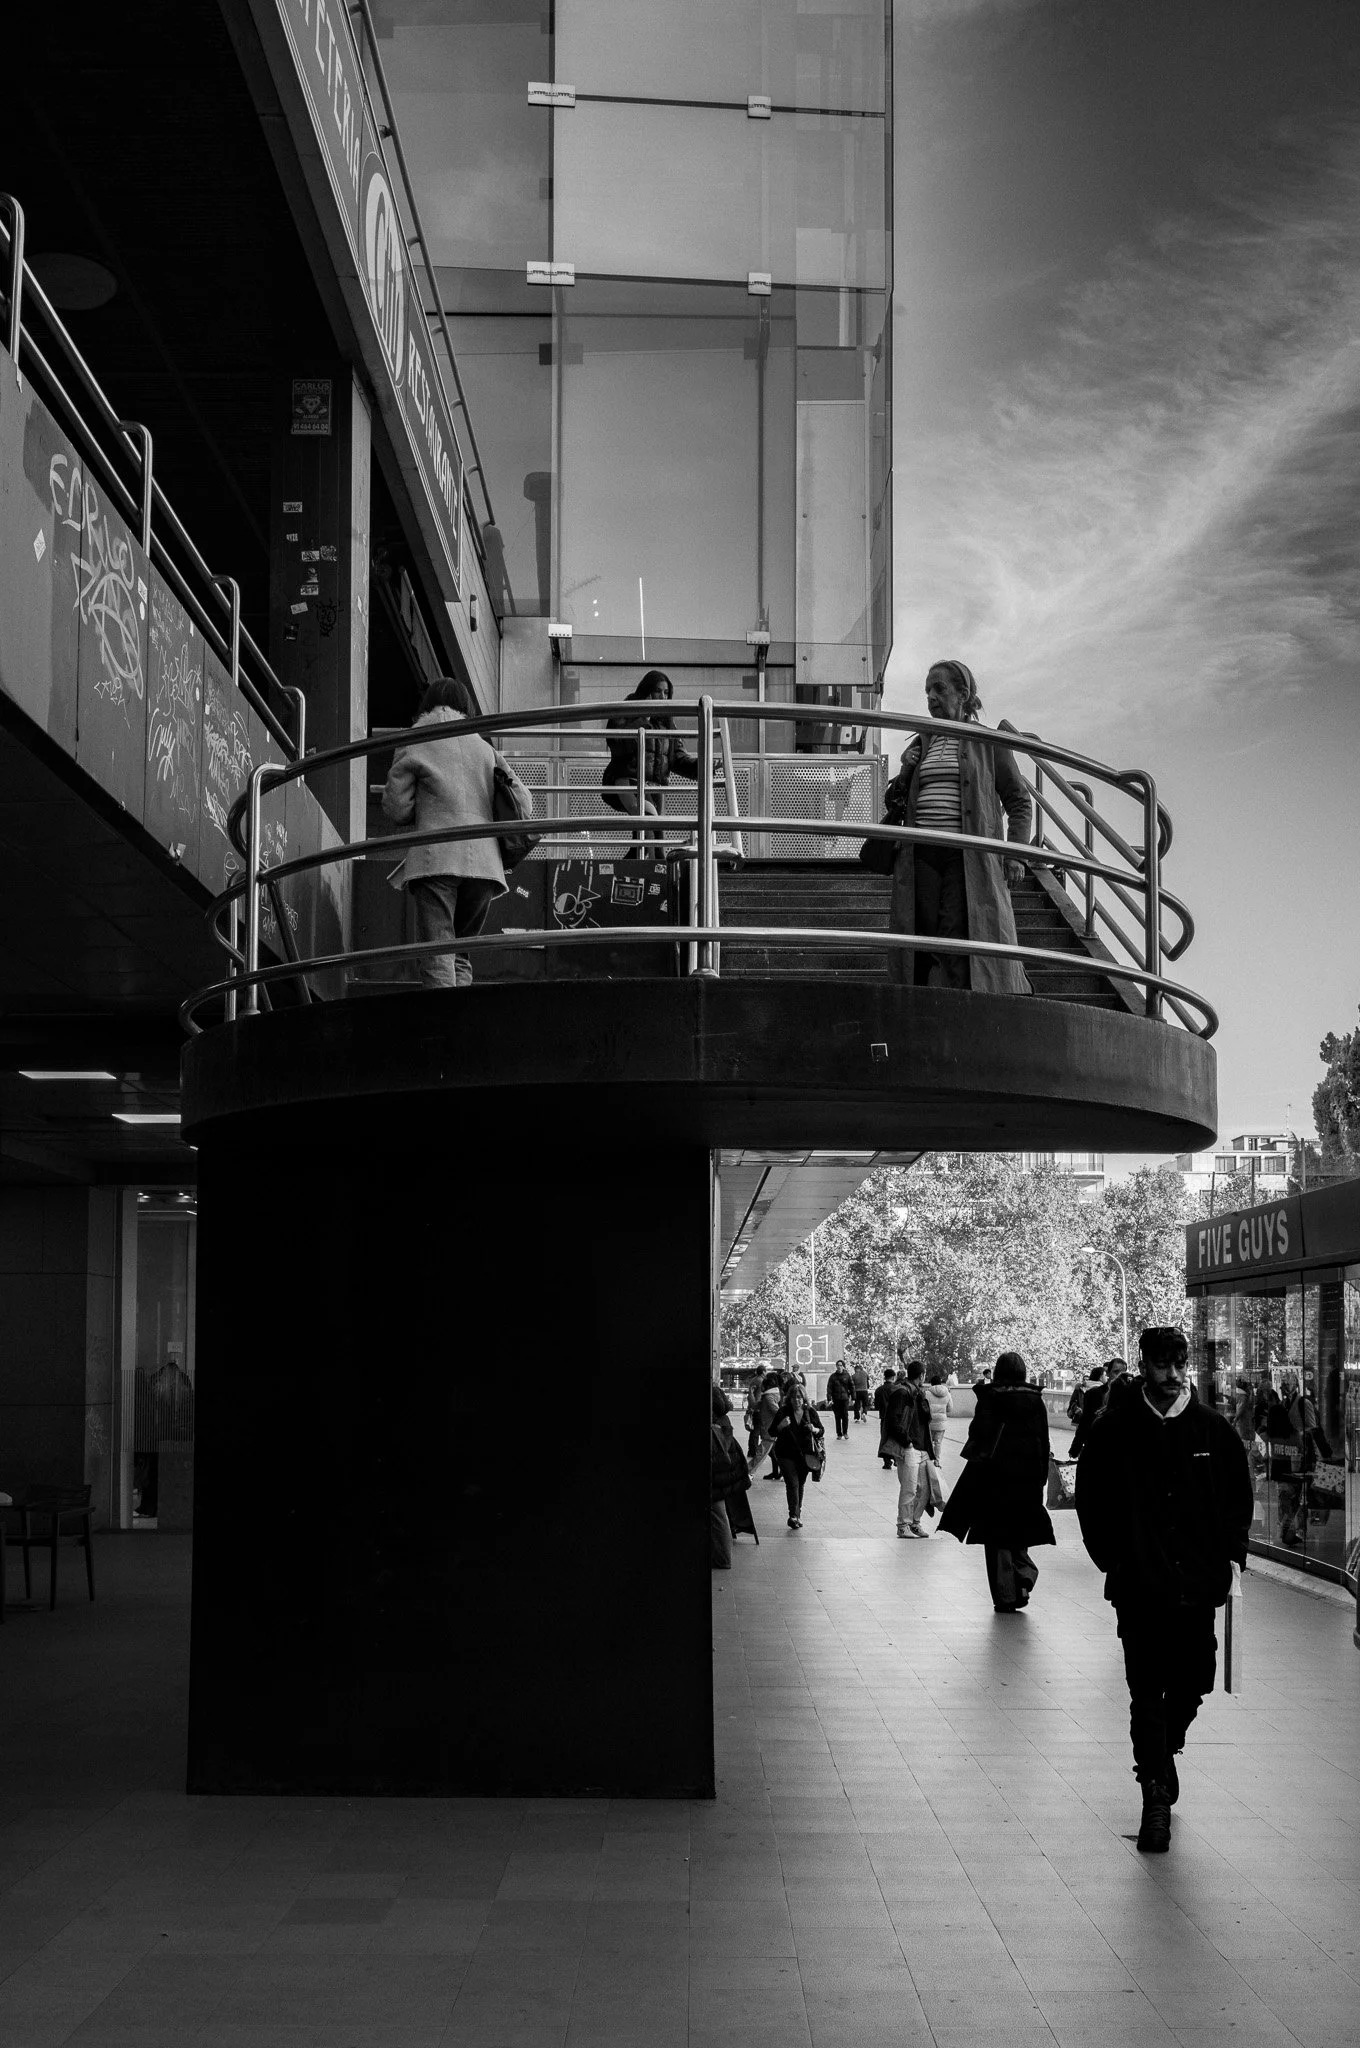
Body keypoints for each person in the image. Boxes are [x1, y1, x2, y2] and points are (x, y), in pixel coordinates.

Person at [1076, 1326, 1253, 1854]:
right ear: (1145, 1365)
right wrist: (1113, 1558)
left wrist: (1232, 1557)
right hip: (1139, 1585)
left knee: (1196, 1676)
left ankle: (1162, 1751)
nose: (1173, 1375)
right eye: (1162, 1365)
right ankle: (1155, 1798)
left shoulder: (1212, 1430)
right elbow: (1091, 1500)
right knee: (1145, 1689)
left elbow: (1237, 1500)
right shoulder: (1114, 1430)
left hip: (1198, 1585)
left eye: (1179, 1365)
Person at [884, 660, 1032, 991]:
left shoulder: (988, 741)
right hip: (920, 853)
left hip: (965, 855)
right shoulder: (922, 743)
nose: (931, 697)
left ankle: (954, 1006)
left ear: (963, 694)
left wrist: (1016, 855)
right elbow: (893, 800)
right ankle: (925, 1003)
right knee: (923, 933)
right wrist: (906, 770)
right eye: (927, 691)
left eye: (940, 688)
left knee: (954, 929)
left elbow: (1019, 801)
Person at [382, 674, 533, 989]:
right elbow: (524, 803)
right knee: (461, 954)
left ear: (426, 706)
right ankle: (459, 1026)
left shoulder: (416, 740)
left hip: (436, 857)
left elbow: (397, 809)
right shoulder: (483, 746)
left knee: (437, 954)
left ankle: (441, 1029)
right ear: (466, 708)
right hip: (484, 865)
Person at [940, 1352, 1054, 1607]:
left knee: (997, 1538)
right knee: (1020, 1532)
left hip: (995, 1478)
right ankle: (1024, 1574)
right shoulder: (1036, 1401)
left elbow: (978, 1434)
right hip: (1027, 1478)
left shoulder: (991, 1398)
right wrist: (1042, 1476)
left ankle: (1006, 1597)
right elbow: (1044, 1440)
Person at [601, 670, 699, 853]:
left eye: (666, 692)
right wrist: (643, 718)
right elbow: (616, 743)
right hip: (630, 781)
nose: (662, 696)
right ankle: (660, 876)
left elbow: (677, 758)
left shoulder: (667, 722)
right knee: (651, 833)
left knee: (646, 842)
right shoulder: (628, 710)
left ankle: (623, 877)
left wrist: (700, 766)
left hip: (656, 788)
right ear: (647, 692)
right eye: (657, 691)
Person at [884, 1358, 934, 1537]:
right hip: (909, 1447)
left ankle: (914, 1521)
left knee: (924, 1488)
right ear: (921, 1375)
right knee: (909, 1487)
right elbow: (892, 1420)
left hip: (921, 1448)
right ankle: (903, 1524)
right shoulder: (902, 1392)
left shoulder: (918, 1393)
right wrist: (907, 1442)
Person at [711, 1381, 755, 1567]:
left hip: (718, 1443)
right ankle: (722, 1556)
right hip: (721, 1440)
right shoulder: (715, 1390)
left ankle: (722, 1558)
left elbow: (723, 1407)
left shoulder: (713, 1392)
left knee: (717, 1507)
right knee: (719, 1508)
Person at [771, 1381, 825, 1530]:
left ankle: (797, 1515)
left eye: (800, 1397)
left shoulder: (810, 1412)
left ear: (804, 1398)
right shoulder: (783, 1412)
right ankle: (793, 1515)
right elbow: (772, 1431)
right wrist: (781, 1426)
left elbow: (821, 1430)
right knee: (792, 1484)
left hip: (805, 1455)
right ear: (789, 1398)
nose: (797, 1400)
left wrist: (813, 1429)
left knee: (800, 1485)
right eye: (794, 1397)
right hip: (785, 1454)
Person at [1070, 1358, 1127, 1459]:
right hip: (1096, 1447)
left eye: (1123, 1373)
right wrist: (1075, 1447)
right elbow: (1085, 1421)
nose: (1119, 1376)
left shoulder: (1130, 1395)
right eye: (1116, 1372)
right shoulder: (1093, 1394)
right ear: (1108, 1373)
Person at [873, 1367, 898, 1469]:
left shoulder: (879, 1390)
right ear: (893, 1377)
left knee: (884, 1438)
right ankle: (896, 1458)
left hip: (884, 1417)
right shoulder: (897, 1389)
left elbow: (876, 1406)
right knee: (895, 1438)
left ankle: (887, 1462)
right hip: (895, 1418)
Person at [924, 1373, 952, 1464]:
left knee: (929, 1441)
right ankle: (937, 1460)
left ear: (931, 1383)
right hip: (941, 1422)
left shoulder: (927, 1393)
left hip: (929, 1421)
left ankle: (928, 1459)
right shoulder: (947, 1393)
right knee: (938, 1442)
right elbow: (950, 1409)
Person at [828, 1360, 854, 1440]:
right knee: (837, 1416)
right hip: (836, 1399)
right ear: (836, 1366)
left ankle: (845, 1432)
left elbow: (852, 1387)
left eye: (841, 1365)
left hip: (845, 1398)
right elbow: (829, 1388)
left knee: (845, 1416)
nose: (839, 1367)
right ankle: (839, 1434)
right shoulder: (833, 1376)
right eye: (838, 1365)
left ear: (843, 1366)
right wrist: (829, 1399)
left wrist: (853, 1398)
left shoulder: (847, 1375)